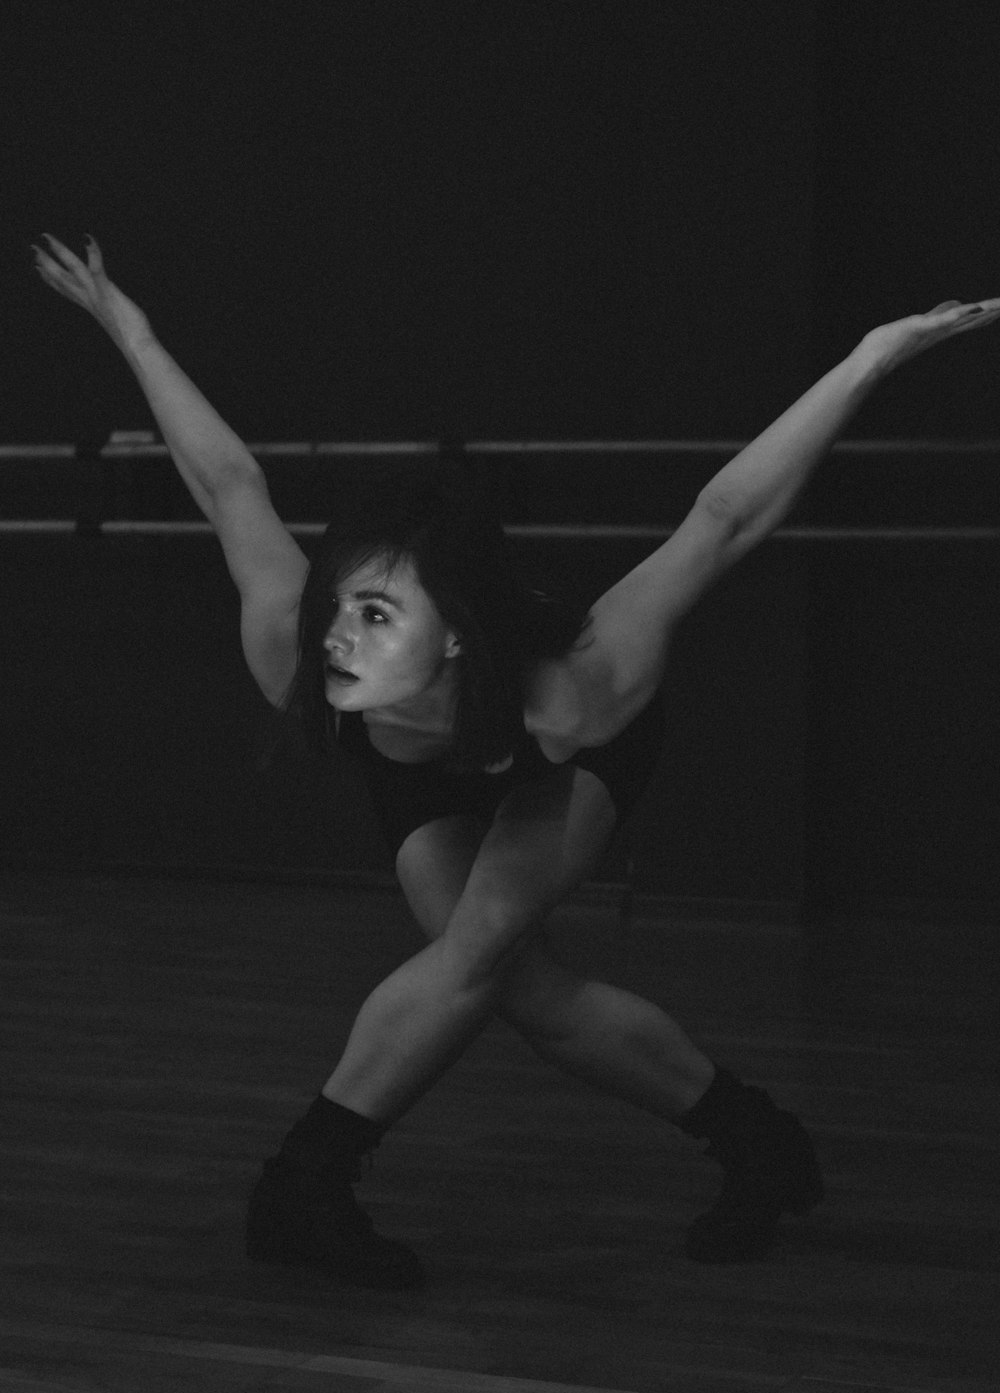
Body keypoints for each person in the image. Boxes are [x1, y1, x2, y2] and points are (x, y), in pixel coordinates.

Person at [34, 234, 999, 1291]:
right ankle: (761, 1145)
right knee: (521, 990)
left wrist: (870, 356)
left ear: (452, 634)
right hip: (419, 765)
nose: (336, 638)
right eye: (334, 610)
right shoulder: (297, 656)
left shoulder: (579, 684)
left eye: (375, 614)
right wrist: (129, 326)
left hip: (555, 763)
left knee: (476, 950)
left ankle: (301, 1188)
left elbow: (723, 520)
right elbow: (228, 484)